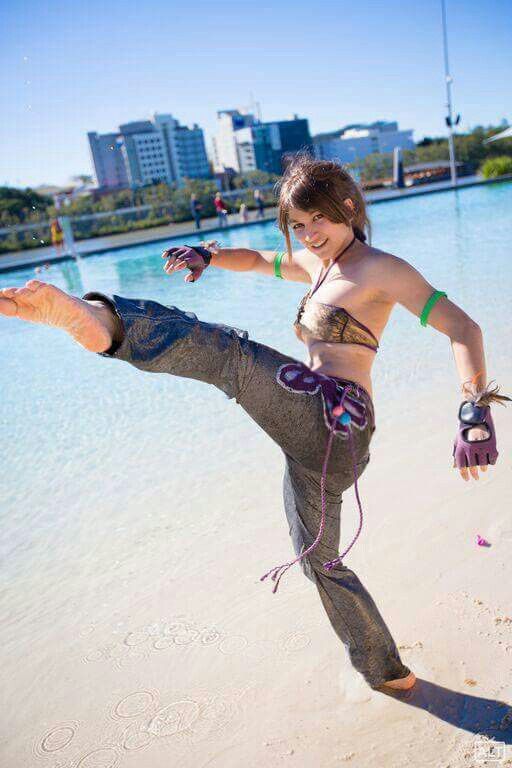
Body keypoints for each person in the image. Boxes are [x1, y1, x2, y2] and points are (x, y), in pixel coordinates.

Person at [1, 157, 508, 693]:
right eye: (298, 225)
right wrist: (209, 256)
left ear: (350, 208)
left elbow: (462, 326)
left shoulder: (381, 268)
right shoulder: (318, 265)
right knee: (318, 561)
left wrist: (473, 407)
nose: (309, 235)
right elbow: (258, 261)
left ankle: (106, 322)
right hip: (313, 438)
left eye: (319, 220)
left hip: (338, 420)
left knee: (232, 357)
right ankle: (389, 675)